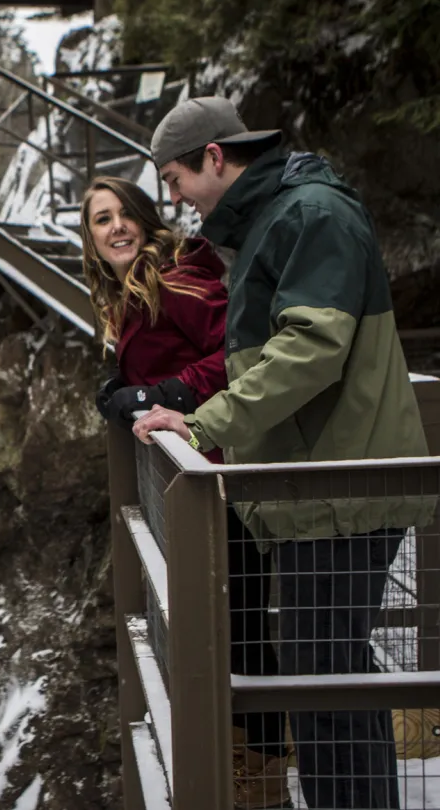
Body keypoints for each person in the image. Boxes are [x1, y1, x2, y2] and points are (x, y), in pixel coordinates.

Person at [134, 96, 431, 809]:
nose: (171, 198)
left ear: (214, 158)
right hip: (320, 485)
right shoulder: (281, 217)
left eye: (174, 179)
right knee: (332, 677)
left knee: (322, 680)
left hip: (336, 490)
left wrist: (203, 425)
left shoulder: (309, 215)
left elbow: (311, 350)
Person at [83, 176, 291, 809]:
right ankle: (247, 761)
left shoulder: (173, 277)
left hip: (221, 474)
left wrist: (159, 394)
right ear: (89, 240)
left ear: (145, 220)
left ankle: (263, 775)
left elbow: (236, 351)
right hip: (200, 476)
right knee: (231, 623)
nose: (116, 227)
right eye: (100, 220)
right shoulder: (135, 288)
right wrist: (120, 382)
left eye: (124, 215)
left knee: (242, 625)